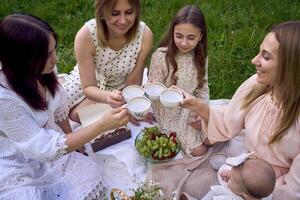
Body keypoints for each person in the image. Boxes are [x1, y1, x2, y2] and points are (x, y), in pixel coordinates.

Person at [147, 21, 300, 200]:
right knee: (191, 183)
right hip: (243, 164)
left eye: (266, 57)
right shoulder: (257, 85)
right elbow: (229, 121)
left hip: (270, 189)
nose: (254, 61)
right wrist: (196, 105)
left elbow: (294, 188)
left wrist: (258, 193)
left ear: (291, 67)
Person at [0, 13, 130, 199]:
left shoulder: (42, 68)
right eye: (47, 55)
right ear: (21, 60)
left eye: (54, 50)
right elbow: (44, 148)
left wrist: (72, 141)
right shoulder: (4, 99)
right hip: (17, 157)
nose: (56, 60)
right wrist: (102, 125)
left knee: (91, 173)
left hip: (47, 140)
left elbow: (59, 105)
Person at [61, 0, 153, 122]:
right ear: (102, 13)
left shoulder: (145, 35)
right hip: (86, 84)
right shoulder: (86, 35)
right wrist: (107, 97)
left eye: (129, 12)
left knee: (86, 117)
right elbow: (88, 87)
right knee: (60, 112)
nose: (123, 21)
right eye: (115, 13)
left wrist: (132, 106)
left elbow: (133, 83)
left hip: (118, 90)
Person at [148, 5, 209, 156]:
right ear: (172, 33)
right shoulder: (161, 56)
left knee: (214, 138)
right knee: (200, 150)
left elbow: (202, 88)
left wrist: (201, 111)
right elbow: (153, 90)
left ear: (200, 36)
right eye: (179, 36)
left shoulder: (201, 57)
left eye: (191, 38)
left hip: (191, 105)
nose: (183, 43)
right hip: (168, 109)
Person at [195, 156, 275, 200]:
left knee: (213, 192)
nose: (229, 175)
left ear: (245, 195)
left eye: (232, 179)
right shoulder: (259, 190)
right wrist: (228, 174)